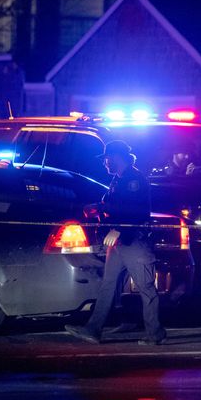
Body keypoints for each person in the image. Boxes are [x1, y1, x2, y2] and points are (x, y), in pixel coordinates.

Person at [66, 140, 167, 345]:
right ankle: (93, 329)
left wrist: (118, 229)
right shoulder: (118, 180)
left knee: (146, 288)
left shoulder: (134, 180)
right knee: (108, 285)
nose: (105, 163)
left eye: (106, 158)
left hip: (134, 243)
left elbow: (136, 211)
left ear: (117, 157)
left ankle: (155, 333)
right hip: (119, 244)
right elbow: (114, 204)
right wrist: (96, 207)